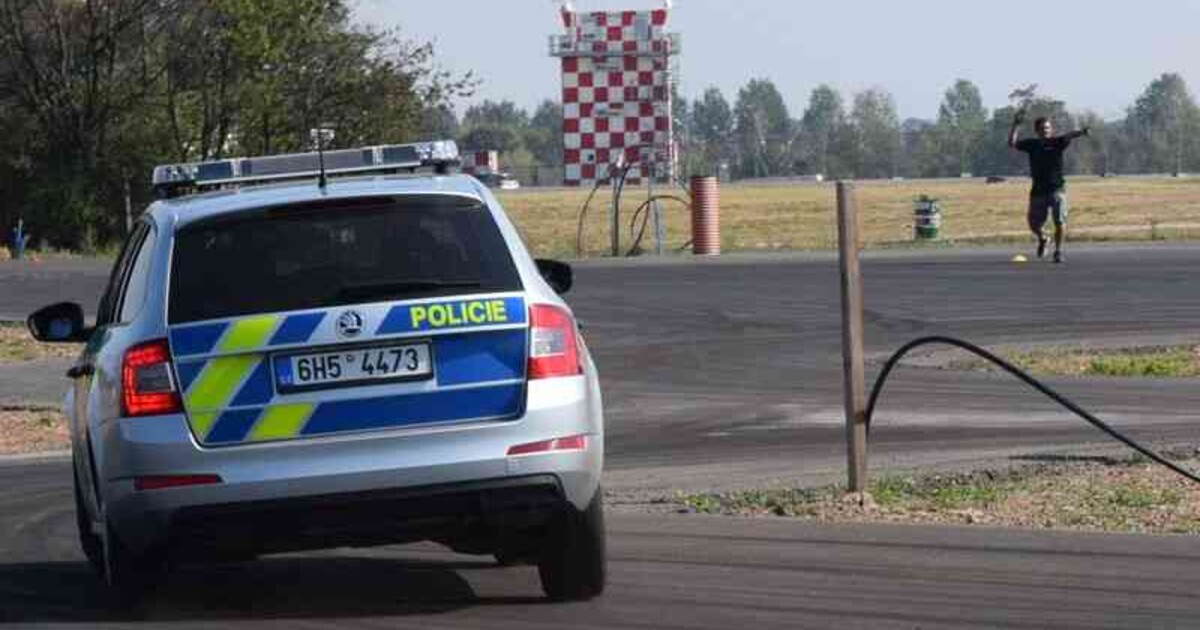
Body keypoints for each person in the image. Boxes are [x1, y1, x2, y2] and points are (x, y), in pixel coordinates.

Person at [1008, 112, 1090, 263]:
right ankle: (1043, 238)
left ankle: (1058, 252)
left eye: (1047, 128)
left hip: (1057, 189)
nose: (1045, 130)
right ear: (1037, 131)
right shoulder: (1032, 145)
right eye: (1041, 128)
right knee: (1033, 225)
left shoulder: (1057, 142)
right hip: (1038, 190)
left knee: (1059, 221)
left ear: (1051, 129)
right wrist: (1016, 126)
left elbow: (1069, 135)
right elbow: (1012, 144)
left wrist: (1082, 132)